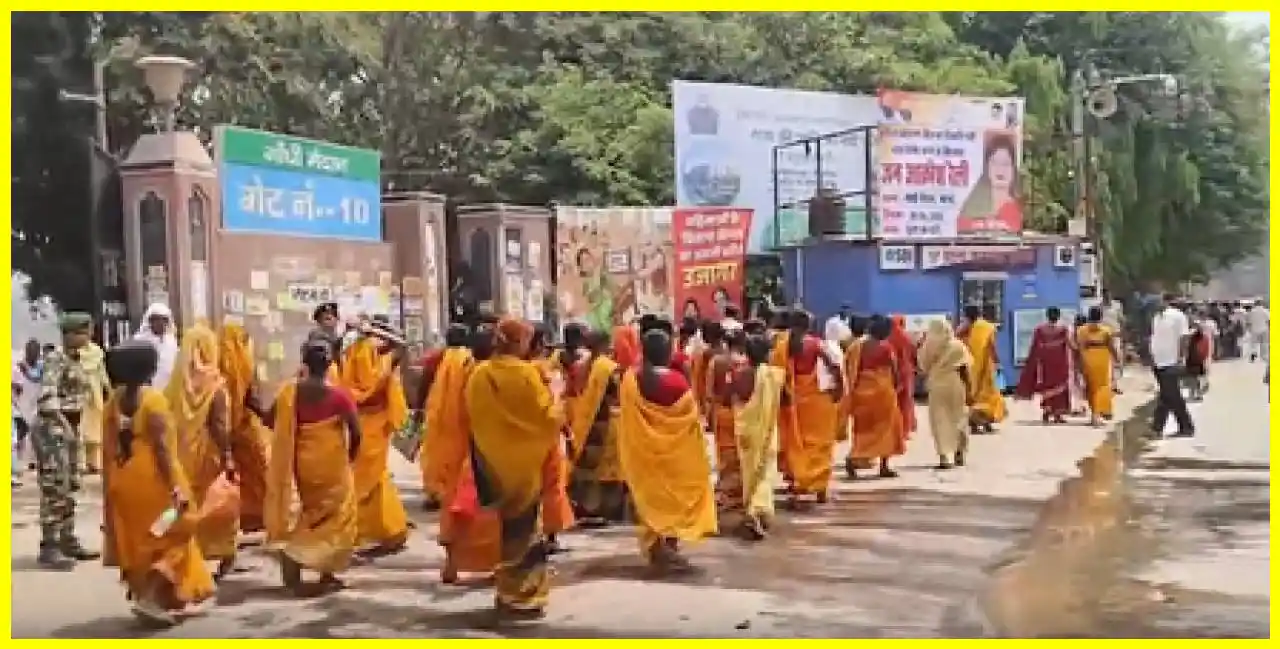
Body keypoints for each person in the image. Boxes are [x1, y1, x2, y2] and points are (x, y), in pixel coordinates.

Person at [101, 341, 216, 625]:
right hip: (154, 485)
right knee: (179, 530)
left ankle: (166, 597)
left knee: (147, 540)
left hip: (123, 483)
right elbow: (164, 451)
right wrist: (176, 488)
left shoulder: (114, 402)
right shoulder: (154, 402)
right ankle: (150, 597)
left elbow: (109, 448)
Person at [465, 317, 565, 618]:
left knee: (508, 528)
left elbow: (474, 417)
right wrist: (557, 393)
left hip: (494, 464)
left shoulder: (479, 374)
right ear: (520, 341)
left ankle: (507, 591)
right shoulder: (526, 374)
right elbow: (548, 417)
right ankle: (522, 596)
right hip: (525, 466)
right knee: (525, 529)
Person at [264, 338, 360, 595]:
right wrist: (350, 457)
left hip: (302, 465)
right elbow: (356, 432)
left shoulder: (290, 393)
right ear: (329, 365)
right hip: (333, 465)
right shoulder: (339, 395)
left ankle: (298, 559)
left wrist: (293, 434)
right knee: (338, 516)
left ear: (304, 363)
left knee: (310, 511)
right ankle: (317, 567)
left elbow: (269, 420)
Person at [617, 328, 716, 572]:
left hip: (645, 454)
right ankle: (668, 545)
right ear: (668, 352)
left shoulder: (632, 379)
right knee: (674, 499)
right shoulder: (677, 382)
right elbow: (690, 419)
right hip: (677, 455)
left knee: (652, 497)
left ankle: (656, 546)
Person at [430, 324, 500, 584]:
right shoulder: (487, 374)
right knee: (485, 512)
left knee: (455, 508)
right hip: (480, 449)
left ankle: (452, 566)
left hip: (456, 447)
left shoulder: (459, 366)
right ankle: (495, 564)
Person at [166, 324, 237, 577]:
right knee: (218, 504)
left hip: (178, 455)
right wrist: (228, 455)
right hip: (207, 456)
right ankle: (223, 553)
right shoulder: (215, 384)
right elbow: (219, 425)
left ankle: (175, 550)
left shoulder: (174, 384)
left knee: (178, 507)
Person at [33, 313, 101, 569]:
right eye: (84, 331)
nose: (88, 336)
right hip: (53, 428)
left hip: (70, 427)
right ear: (70, 334)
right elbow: (47, 399)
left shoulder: (77, 360)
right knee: (54, 487)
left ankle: (67, 539)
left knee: (71, 484)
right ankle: (49, 546)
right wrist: (65, 427)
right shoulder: (55, 359)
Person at [340, 320, 411, 556]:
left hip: (371, 423)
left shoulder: (369, 354)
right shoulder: (363, 354)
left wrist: (371, 330)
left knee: (371, 478)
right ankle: (388, 530)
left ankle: (387, 530)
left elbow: (401, 345)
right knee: (369, 479)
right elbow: (399, 347)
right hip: (366, 422)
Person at [770, 310, 841, 504]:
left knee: (796, 443)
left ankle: (797, 484)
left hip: (792, 400)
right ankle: (820, 489)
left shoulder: (781, 345)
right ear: (807, 326)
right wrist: (839, 387)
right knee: (819, 444)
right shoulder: (815, 344)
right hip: (815, 401)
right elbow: (834, 366)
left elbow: (775, 372)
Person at [525, 325, 576, 553]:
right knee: (552, 487)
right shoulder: (543, 370)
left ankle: (531, 536)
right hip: (547, 436)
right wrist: (567, 431)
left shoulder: (518, 370)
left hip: (523, 437)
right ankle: (550, 536)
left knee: (530, 489)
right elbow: (553, 405)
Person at [568, 330, 627, 526]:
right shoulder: (609, 368)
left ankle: (586, 508)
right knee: (608, 471)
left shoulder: (579, 366)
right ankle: (607, 511)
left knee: (587, 467)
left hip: (584, 422)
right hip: (606, 421)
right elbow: (618, 395)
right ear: (605, 344)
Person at [728, 334, 783, 540]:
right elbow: (787, 398)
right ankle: (756, 512)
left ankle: (754, 510)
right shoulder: (774, 376)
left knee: (749, 471)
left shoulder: (739, 374)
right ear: (766, 354)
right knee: (765, 472)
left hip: (746, 430)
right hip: (765, 431)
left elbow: (728, 397)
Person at [216, 323, 271, 533]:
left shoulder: (215, 364)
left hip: (220, 429)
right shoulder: (245, 363)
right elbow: (251, 397)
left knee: (227, 475)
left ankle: (231, 520)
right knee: (255, 469)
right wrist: (268, 417)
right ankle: (254, 517)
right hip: (242, 426)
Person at [843, 315, 906, 478]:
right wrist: (897, 386)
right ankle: (883, 466)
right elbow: (894, 370)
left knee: (863, 430)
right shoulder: (886, 348)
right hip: (883, 393)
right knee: (886, 430)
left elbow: (848, 366)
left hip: (861, 392)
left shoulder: (857, 346)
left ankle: (854, 457)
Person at [417, 324, 470, 511]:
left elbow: (424, 382)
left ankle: (435, 493)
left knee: (435, 454)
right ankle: (454, 492)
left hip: (438, 416)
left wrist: (419, 407)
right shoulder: (469, 359)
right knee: (458, 455)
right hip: (460, 417)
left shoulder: (436, 357)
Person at [917, 318, 972, 469]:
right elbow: (964, 369)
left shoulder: (928, 346)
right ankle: (959, 452)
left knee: (939, 420)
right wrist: (969, 389)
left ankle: (944, 457)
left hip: (936, 385)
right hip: (955, 384)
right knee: (959, 417)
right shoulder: (958, 345)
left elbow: (923, 366)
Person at [705, 322, 743, 509]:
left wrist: (709, 412)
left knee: (725, 454)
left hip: (722, 413)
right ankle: (740, 491)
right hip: (743, 413)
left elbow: (709, 392)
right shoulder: (745, 362)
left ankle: (727, 492)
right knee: (741, 453)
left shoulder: (716, 362)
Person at [1014, 307, 1072, 424]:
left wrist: (1034, 361)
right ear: (1058, 316)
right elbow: (1069, 343)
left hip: (1046, 361)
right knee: (1060, 386)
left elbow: (1035, 346)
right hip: (1060, 361)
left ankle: (1047, 411)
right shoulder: (1063, 329)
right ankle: (1057, 414)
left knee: (1047, 385)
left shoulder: (1040, 329)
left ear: (1047, 316)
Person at [1149, 293, 1194, 438]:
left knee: (1169, 395)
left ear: (1166, 301)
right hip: (1158, 361)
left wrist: (1182, 358)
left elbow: (1184, 338)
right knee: (1168, 395)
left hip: (1172, 361)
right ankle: (1180, 427)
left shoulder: (1178, 316)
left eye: (1158, 300)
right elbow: (1155, 338)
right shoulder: (1156, 318)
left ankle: (1162, 427)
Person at [961, 304, 1006, 434]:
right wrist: (997, 362)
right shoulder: (988, 327)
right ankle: (986, 423)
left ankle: (974, 425)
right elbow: (991, 347)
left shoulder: (963, 328)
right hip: (985, 368)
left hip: (969, 368)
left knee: (972, 397)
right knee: (989, 396)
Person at [72, 334, 110, 475]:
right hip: (79, 395)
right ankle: (81, 464)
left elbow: (102, 374)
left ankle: (95, 463)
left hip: (95, 396)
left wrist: (109, 390)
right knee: (80, 431)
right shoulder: (73, 353)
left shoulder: (97, 352)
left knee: (95, 430)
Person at [1076, 307, 1117, 426]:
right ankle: (1098, 414)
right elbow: (1111, 347)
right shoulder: (1106, 330)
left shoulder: (1082, 330)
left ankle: (1095, 415)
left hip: (1088, 359)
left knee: (1091, 387)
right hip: (1102, 359)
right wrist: (1117, 359)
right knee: (1102, 386)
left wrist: (1080, 363)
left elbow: (1081, 347)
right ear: (1100, 317)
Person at [14, 338, 44, 483]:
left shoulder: (41, 365)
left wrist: (26, 372)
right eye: (30, 351)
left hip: (37, 400)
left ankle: (34, 460)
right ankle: (20, 462)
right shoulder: (19, 365)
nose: (32, 353)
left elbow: (36, 378)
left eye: (35, 351)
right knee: (21, 433)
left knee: (36, 432)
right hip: (23, 402)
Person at [133, 303, 179, 390]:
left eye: (164, 320)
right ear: (150, 321)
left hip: (170, 388)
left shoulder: (171, 340)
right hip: (147, 389)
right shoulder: (140, 341)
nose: (161, 323)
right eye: (157, 319)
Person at [887, 315, 918, 437]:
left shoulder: (887, 337)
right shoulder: (906, 337)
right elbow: (913, 354)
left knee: (894, 401)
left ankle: (894, 429)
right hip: (906, 372)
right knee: (906, 401)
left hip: (892, 371)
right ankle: (906, 429)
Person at [1101, 290, 1126, 393]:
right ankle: (1106, 385)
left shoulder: (1117, 306)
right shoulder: (1099, 307)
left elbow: (1122, 320)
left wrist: (1122, 332)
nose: (1107, 298)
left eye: (1108, 296)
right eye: (1105, 296)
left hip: (1115, 335)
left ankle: (1115, 385)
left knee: (1116, 360)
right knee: (1106, 362)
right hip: (1103, 337)